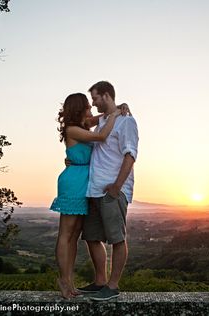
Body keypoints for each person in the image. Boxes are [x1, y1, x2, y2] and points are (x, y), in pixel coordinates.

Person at [50, 92, 124, 299]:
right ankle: (63, 281)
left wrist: (118, 108)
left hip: (85, 181)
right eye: (87, 107)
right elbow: (101, 136)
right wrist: (116, 115)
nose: (91, 110)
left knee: (74, 235)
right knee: (66, 233)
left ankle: (69, 281)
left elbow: (101, 118)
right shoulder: (73, 129)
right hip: (74, 181)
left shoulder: (82, 125)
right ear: (79, 108)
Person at [77, 81, 139, 301]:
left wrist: (116, 187)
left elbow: (130, 155)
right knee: (92, 237)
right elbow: (83, 123)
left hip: (113, 190)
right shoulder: (102, 120)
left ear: (105, 95)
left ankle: (112, 287)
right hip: (93, 189)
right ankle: (100, 281)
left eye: (95, 98)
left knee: (117, 239)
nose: (93, 104)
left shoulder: (127, 121)